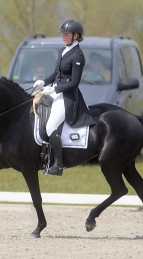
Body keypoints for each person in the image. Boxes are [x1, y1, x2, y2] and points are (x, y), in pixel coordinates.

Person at [33, 19, 95, 176]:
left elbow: (74, 83)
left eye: (66, 34)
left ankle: (58, 165)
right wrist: (44, 81)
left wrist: (54, 88)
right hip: (56, 90)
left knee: (50, 126)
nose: (63, 37)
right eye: (63, 34)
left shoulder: (78, 56)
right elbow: (56, 74)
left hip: (68, 96)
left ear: (75, 36)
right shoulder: (63, 51)